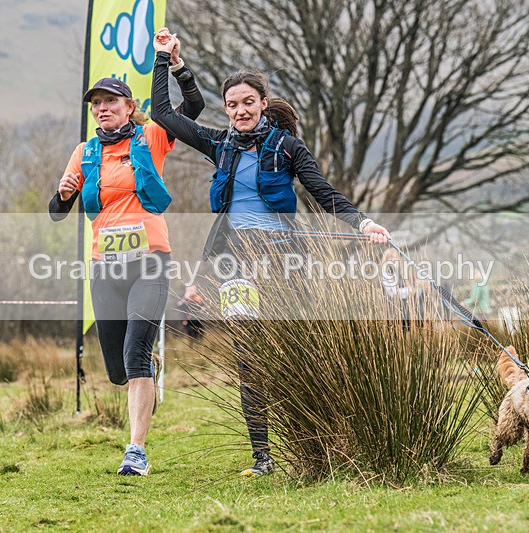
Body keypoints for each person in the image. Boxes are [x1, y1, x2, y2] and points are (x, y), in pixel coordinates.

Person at [151, 28, 391, 477]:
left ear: (263, 103)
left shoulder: (287, 147)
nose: (239, 111)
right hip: (235, 263)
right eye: (232, 104)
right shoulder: (217, 144)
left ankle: (318, 443)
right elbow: (164, 114)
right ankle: (262, 458)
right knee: (250, 357)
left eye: (247, 102)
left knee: (300, 348)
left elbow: (321, 191)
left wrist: (363, 222)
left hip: (285, 259)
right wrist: (169, 60)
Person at [48, 34, 204, 476]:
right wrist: (62, 195)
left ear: (129, 105)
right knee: (118, 368)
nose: (102, 108)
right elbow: (57, 213)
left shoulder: (152, 136)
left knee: (137, 349)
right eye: (96, 103)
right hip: (105, 268)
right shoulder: (85, 152)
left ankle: (135, 451)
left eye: (111, 101)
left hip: (150, 262)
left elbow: (191, 110)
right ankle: (142, 373)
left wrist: (177, 67)